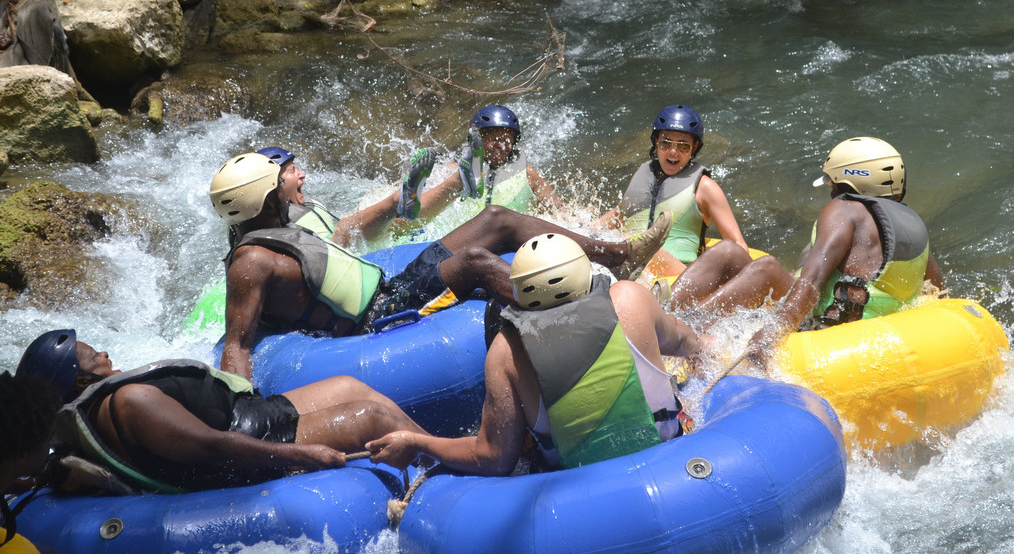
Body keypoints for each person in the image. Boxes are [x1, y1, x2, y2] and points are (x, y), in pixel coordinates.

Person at [209, 153, 673, 380]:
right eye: (282, 182)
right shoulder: (250, 262)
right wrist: (239, 420)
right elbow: (238, 344)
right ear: (269, 197)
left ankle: (615, 256)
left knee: (496, 219)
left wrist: (399, 199)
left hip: (387, 287)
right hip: (376, 321)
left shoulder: (280, 221)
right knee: (475, 263)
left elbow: (348, 231)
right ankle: (593, 315)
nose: (294, 182)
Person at [365, 233, 703, 474]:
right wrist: (703, 357)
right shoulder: (631, 298)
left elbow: (493, 458)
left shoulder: (505, 351)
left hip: (579, 493)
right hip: (669, 460)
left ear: (518, 290)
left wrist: (417, 442)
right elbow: (688, 343)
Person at [14, 329, 427, 494]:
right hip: (249, 441)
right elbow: (211, 448)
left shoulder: (100, 406)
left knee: (349, 386)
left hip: (248, 415)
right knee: (371, 417)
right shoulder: (128, 402)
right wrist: (304, 455)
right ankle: (446, 464)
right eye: (93, 355)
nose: (104, 351)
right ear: (82, 383)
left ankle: (428, 457)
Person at [672, 137, 943, 366]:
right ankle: (668, 311)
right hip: (864, 322)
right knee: (730, 250)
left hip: (828, 328)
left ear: (849, 183)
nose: (832, 192)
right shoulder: (913, 227)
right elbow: (936, 290)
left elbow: (811, 283)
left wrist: (769, 336)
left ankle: (678, 330)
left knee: (767, 268)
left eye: (833, 184)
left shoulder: (844, 210)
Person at [600, 104, 748, 279]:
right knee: (617, 241)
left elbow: (737, 244)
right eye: (665, 143)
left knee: (631, 242)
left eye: (683, 146)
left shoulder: (705, 187)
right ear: (656, 142)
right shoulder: (641, 176)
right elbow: (618, 215)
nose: (673, 152)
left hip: (676, 275)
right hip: (629, 263)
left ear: (695, 147)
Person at [254, 145, 461, 245]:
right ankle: (398, 200)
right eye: (292, 172)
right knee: (348, 227)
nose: (302, 175)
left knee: (396, 224)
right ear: (273, 184)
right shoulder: (270, 219)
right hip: (334, 258)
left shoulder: (303, 203)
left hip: (354, 245)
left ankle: (458, 180)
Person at [0, 371, 62, 553]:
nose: (52, 444)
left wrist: (22, 484)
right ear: (21, 451)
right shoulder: (18, 549)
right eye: (50, 438)